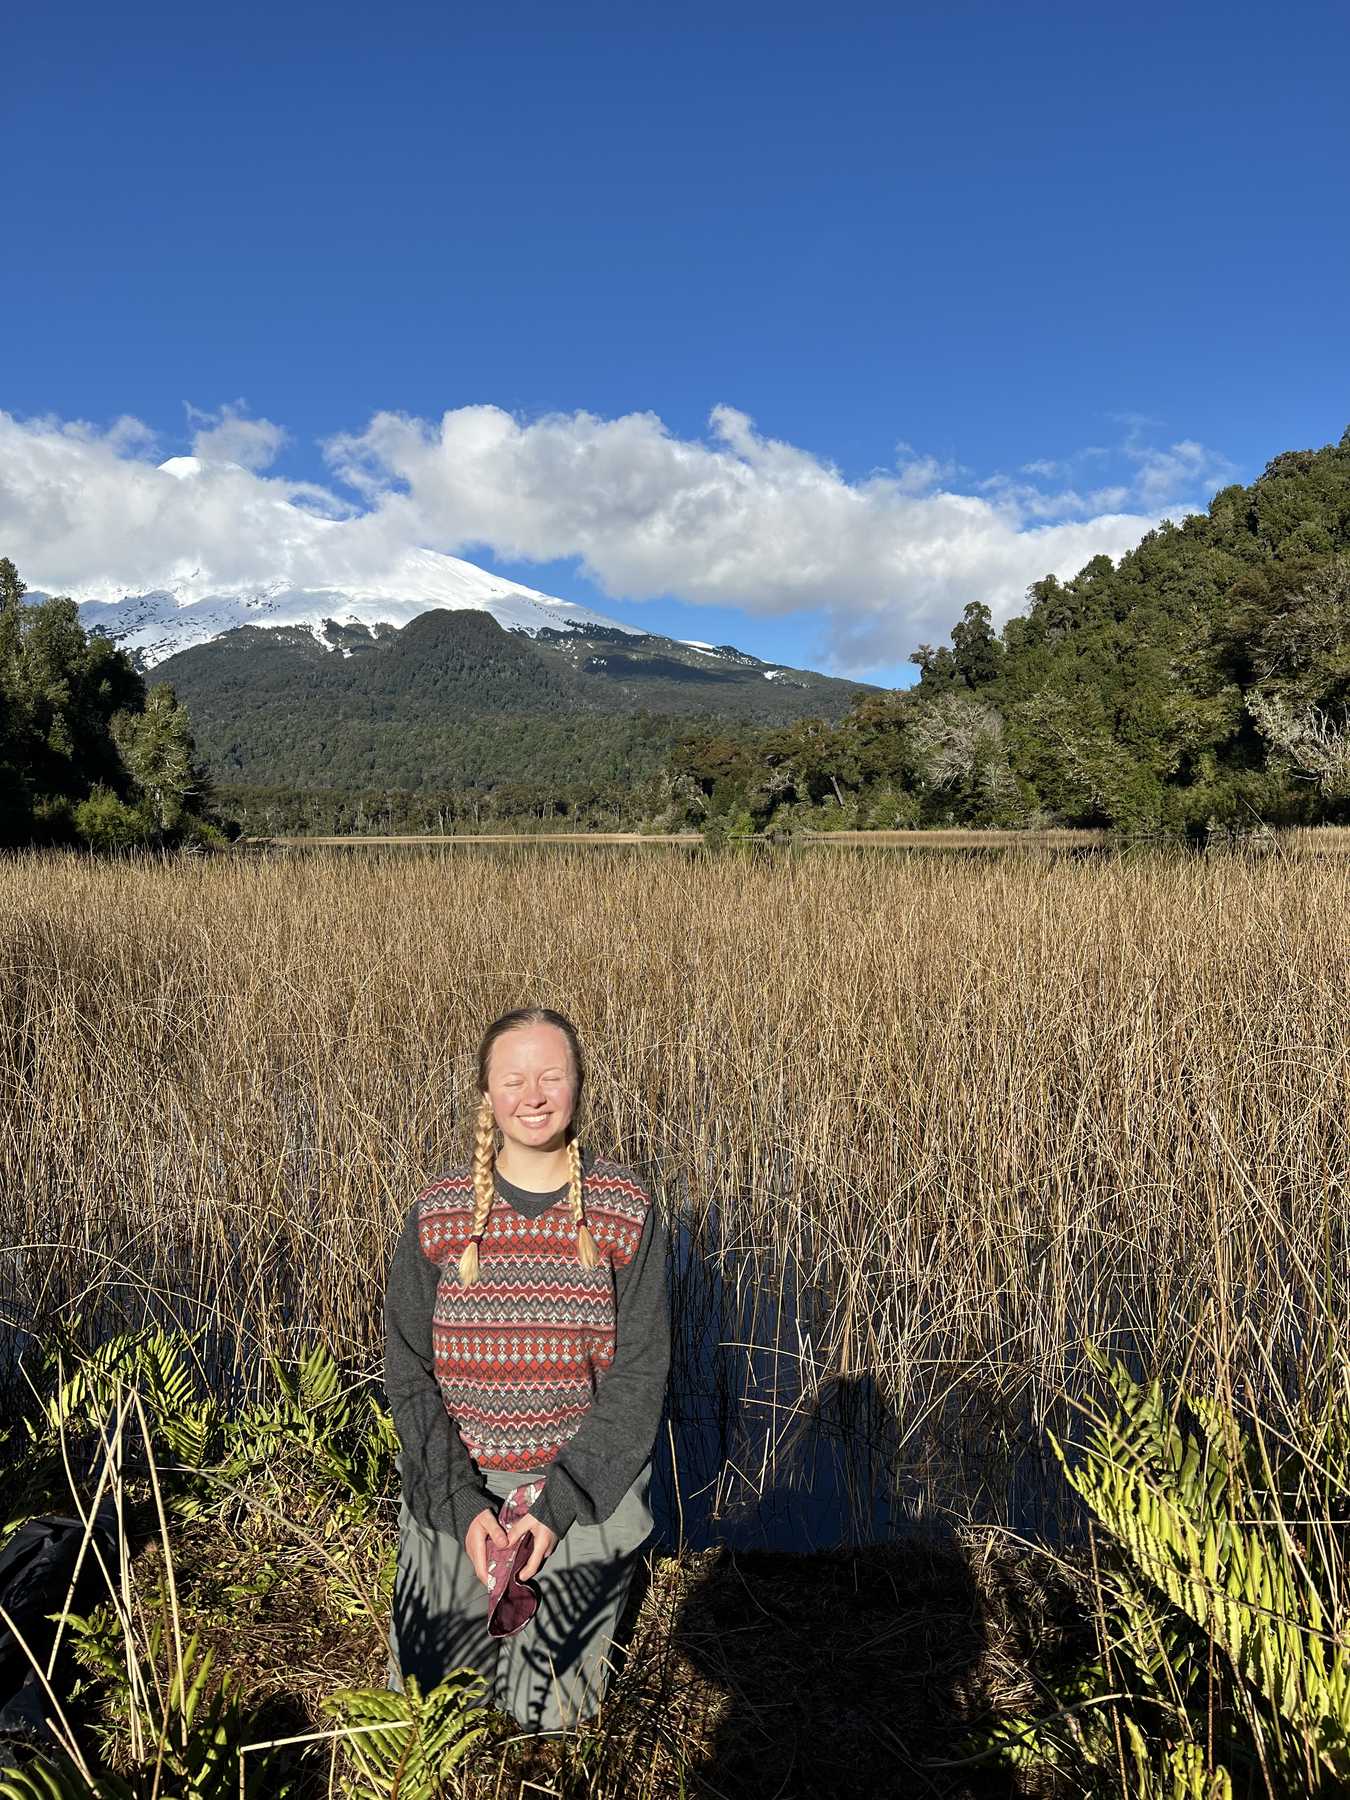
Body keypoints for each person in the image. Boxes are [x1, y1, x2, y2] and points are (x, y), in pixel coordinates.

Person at [383, 1005, 671, 1732]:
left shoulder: (624, 1209)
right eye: (513, 1080)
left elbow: (639, 1374)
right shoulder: (439, 1212)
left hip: (578, 1490)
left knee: (547, 1714)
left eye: (552, 1077)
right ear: (486, 1094)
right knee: (433, 1711)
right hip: (463, 1487)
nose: (533, 1096)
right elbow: (409, 1370)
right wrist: (459, 1502)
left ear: (579, 1087)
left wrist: (557, 1507)